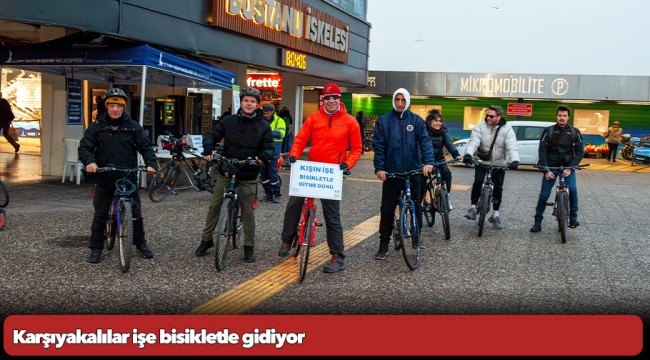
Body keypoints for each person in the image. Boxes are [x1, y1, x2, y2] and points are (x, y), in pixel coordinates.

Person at [276, 82, 362, 273]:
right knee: (294, 203)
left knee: (332, 216)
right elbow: (300, 138)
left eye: (335, 97)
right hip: (311, 170)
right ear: (322, 99)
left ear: (340, 99)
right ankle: (287, 240)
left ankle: (337, 256)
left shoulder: (350, 121)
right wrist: (294, 154)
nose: (331, 100)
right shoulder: (314, 118)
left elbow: (356, 149)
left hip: (331, 173)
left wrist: (348, 164)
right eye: (327, 97)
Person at [194, 87, 275, 262]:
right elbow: (211, 136)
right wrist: (208, 149)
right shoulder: (229, 120)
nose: (249, 104)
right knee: (214, 205)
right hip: (227, 169)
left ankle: (249, 246)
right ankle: (207, 239)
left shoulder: (263, 126)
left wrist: (262, 157)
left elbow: (269, 148)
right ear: (241, 102)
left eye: (252, 101)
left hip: (248, 172)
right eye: (246, 100)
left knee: (247, 211)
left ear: (256, 105)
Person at [78, 88, 158, 263]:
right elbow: (84, 147)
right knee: (100, 213)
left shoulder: (133, 126)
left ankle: (140, 243)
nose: (115, 109)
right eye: (112, 105)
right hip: (105, 175)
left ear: (123, 108)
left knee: (136, 212)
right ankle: (96, 248)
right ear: (106, 107)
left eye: (119, 106)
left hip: (127, 175)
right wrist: (90, 162)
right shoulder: (97, 126)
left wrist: (151, 164)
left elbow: (145, 147)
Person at [372, 88, 434, 260]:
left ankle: (416, 236)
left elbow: (425, 142)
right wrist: (379, 168)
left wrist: (428, 163)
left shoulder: (416, 121)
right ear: (393, 100)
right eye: (397, 99)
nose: (400, 103)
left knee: (415, 204)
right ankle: (383, 243)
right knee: (387, 209)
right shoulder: (384, 121)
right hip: (391, 173)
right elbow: (379, 147)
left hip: (413, 171)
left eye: (403, 100)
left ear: (407, 101)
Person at [462, 105, 520, 230]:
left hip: (499, 164)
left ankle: (495, 215)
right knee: (478, 182)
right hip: (482, 161)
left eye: (491, 116)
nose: (488, 118)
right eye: (487, 115)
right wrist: (468, 154)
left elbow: (512, 146)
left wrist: (515, 160)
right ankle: (472, 207)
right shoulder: (480, 127)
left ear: (499, 117)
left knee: (498, 188)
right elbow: (473, 142)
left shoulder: (507, 129)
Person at [530, 105, 584, 233]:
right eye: (560, 115)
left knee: (573, 189)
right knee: (544, 195)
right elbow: (542, 151)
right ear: (556, 116)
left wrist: (570, 168)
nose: (562, 118)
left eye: (564, 116)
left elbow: (580, 152)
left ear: (568, 117)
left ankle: (573, 219)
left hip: (568, 167)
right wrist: (546, 170)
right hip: (551, 166)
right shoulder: (548, 131)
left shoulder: (575, 132)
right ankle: (537, 222)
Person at [419, 109, 464, 208]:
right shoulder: (423, 131)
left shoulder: (443, 132)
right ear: (429, 122)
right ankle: (420, 200)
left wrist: (456, 154)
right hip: (425, 161)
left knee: (447, 174)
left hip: (439, 159)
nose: (438, 123)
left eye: (440, 121)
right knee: (422, 180)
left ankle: (445, 197)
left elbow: (449, 143)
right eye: (436, 121)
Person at [259, 102, 286, 203]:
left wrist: (266, 132)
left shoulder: (280, 121)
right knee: (263, 175)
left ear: (273, 111)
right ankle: (268, 194)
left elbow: (281, 134)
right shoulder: (260, 121)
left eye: (267, 113)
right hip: (262, 151)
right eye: (264, 113)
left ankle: (277, 194)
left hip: (274, 151)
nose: (266, 115)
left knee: (272, 173)